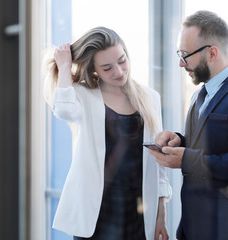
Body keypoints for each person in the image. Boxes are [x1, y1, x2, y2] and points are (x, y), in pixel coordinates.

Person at [147, 10, 228, 240]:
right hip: (194, 227)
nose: (180, 62)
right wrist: (180, 141)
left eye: (185, 55)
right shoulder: (199, 95)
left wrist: (186, 158)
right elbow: (213, 144)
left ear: (212, 53)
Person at [43, 26, 172, 240]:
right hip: (96, 214)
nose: (119, 72)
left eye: (122, 61)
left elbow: (157, 164)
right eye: (107, 68)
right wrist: (64, 66)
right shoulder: (84, 95)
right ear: (94, 70)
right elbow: (63, 110)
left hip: (138, 212)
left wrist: (161, 215)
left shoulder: (150, 97)